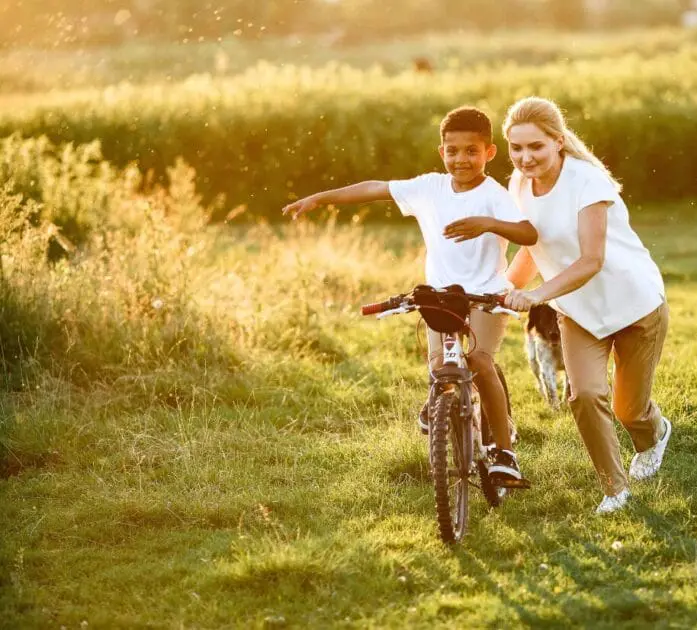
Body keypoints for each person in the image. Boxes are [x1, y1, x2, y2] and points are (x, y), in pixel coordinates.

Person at [282, 106, 537, 484]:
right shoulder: (429, 187)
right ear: (441, 152)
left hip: (486, 294)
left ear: (489, 153)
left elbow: (529, 234)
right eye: (452, 151)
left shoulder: (494, 195)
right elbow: (373, 189)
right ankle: (441, 403)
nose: (460, 159)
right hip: (439, 296)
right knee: (439, 369)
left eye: (471, 151)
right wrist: (322, 198)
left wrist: (489, 223)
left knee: (481, 361)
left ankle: (506, 452)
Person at [501, 97, 671, 514]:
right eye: (516, 148)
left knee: (628, 410)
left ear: (558, 142)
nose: (525, 158)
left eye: (535, 147)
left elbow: (591, 260)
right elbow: (532, 247)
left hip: (634, 304)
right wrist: (502, 291)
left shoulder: (588, 183)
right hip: (578, 312)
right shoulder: (519, 185)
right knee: (585, 395)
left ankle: (655, 432)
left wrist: (538, 295)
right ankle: (615, 489)